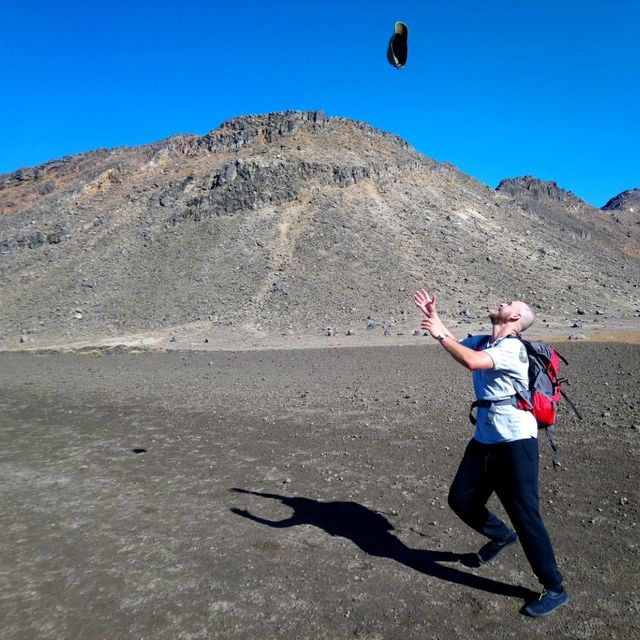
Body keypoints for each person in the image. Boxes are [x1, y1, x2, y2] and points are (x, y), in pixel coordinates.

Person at [413, 289, 569, 617]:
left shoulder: (513, 349)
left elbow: (470, 362)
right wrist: (435, 318)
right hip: (485, 438)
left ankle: (555, 587)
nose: (504, 302)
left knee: (526, 515)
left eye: (510, 304)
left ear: (515, 318)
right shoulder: (487, 341)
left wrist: (440, 332)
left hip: (515, 443)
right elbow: (456, 345)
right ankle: (500, 536)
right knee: (461, 499)